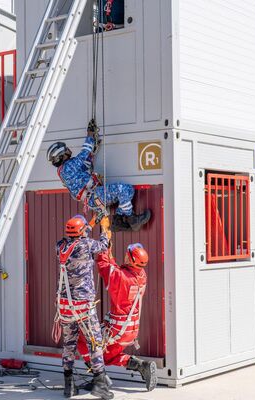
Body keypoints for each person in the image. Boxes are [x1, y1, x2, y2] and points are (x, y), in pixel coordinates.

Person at [78, 243, 157, 392]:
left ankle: (99, 381)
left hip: (117, 331)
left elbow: (104, 266)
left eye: (128, 255)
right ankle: (142, 366)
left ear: (130, 259)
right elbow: (115, 271)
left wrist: (105, 249)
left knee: (83, 341)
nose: (125, 255)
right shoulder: (141, 275)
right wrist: (110, 253)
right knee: (108, 357)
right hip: (130, 330)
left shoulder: (122, 277)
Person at [47, 122, 151, 232]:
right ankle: (133, 220)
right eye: (66, 149)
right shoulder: (68, 167)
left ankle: (118, 221)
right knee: (123, 189)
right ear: (61, 156)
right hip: (94, 196)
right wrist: (90, 135)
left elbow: (86, 164)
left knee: (128, 190)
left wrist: (93, 149)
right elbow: (84, 153)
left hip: (94, 197)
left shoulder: (65, 170)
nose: (68, 149)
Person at [54, 215, 114, 399]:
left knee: (69, 344)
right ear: (81, 232)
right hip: (83, 305)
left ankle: (69, 386)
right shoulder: (86, 245)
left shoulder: (60, 246)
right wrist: (104, 228)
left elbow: (79, 236)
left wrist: (91, 223)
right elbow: (104, 245)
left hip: (65, 305)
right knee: (94, 342)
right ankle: (100, 386)